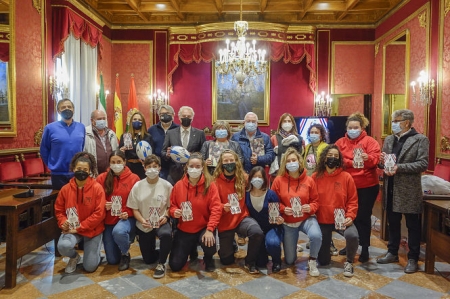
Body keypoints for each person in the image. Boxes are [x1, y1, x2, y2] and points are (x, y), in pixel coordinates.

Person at [376, 109, 429, 273]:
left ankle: (413, 257)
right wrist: (380, 162)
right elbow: (383, 164)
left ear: (406, 122)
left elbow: (423, 164)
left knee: (412, 225)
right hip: (390, 186)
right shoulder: (390, 139)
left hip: (409, 189)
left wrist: (399, 167)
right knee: (392, 222)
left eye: (396, 120)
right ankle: (392, 251)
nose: (393, 124)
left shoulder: (420, 140)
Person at [335, 112, 380, 262]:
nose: (353, 130)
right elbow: (337, 159)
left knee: (362, 217)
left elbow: (375, 160)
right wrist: (351, 161)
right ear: (346, 128)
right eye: (350, 127)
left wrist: (367, 158)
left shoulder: (370, 141)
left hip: (367, 186)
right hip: (346, 185)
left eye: (356, 127)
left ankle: (365, 247)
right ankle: (350, 244)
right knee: (348, 217)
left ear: (362, 128)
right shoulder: (340, 142)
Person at [271, 148, 322, 277]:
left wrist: (310, 208)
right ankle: (292, 246)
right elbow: (272, 203)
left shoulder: (309, 180)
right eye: (288, 161)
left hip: (306, 218)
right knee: (289, 261)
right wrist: (282, 209)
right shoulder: (278, 180)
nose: (291, 163)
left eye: (294, 160)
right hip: (288, 222)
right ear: (284, 164)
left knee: (316, 235)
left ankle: (312, 260)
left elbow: (316, 201)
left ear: (299, 162)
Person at [169, 153, 222, 272]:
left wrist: (210, 230)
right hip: (184, 228)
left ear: (203, 167)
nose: (194, 169)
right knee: (175, 266)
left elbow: (216, 209)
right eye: (191, 166)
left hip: (203, 228)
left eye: (198, 166)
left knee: (210, 244)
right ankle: (191, 249)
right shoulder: (178, 186)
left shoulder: (210, 185)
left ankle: (208, 258)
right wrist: (174, 212)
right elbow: (172, 206)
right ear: (186, 167)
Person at [213, 150, 264, 274]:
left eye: (232, 160)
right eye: (226, 161)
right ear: (221, 163)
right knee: (226, 260)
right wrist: (221, 206)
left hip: (242, 218)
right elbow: (212, 203)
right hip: (225, 221)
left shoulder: (244, 177)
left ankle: (250, 262)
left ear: (237, 162)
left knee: (257, 232)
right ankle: (231, 245)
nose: (229, 163)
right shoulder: (215, 182)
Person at [54, 152, 106, 274]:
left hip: (92, 230)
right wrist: (63, 222)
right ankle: (74, 257)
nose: (81, 171)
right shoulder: (65, 189)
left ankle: (95, 252)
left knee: (90, 267)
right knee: (63, 246)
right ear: (73, 169)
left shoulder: (97, 188)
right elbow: (59, 210)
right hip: (72, 229)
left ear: (90, 171)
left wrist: (79, 228)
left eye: (85, 169)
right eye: (78, 169)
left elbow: (99, 214)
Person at [313, 145, 359, 277]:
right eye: (330, 156)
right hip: (323, 220)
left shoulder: (346, 177)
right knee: (323, 261)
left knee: (353, 235)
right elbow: (310, 198)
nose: (332, 158)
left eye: (336, 156)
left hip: (342, 220)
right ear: (324, 158)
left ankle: (349, 262)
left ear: (340, 160)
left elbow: (353, 200)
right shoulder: (316, 177)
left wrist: (350, 216)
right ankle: (325, 251)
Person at [127, 154, 174, 278]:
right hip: (144, 223)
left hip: (161, 222)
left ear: (159, 168)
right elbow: (134, 208)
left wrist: (166, 216)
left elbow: (171, 206)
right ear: (144, 168)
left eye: (155, 166)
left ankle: (162, 263)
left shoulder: (167, 186)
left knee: (166, 234)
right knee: (148, 259)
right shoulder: (138, 186)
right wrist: (142, 221)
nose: (152, 169)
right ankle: (160, 251)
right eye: (149, 166)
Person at [96, 150, 140, 271]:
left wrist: (128, 212)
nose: (116, 164)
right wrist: (104, 204)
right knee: (112, 260)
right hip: (109, 220)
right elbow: (95, 198)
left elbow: (138, 202)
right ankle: (120, 245)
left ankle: (125, 253)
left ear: (125, 162)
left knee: (119, 232)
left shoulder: (134, 178)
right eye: (113, 162)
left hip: (126, 218)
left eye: (119, 162)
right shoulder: (101, 178)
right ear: (109, 163)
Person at [245, 166, 284, 273]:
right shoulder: (246, 195)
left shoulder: (271, 194)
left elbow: (277, 213)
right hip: (257, 232)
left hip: (272, 227)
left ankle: (277, 261)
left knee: (272, 243)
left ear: (264, 179)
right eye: (255, 176)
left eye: (260, 177)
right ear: (250, 178)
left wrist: (280, 219)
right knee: (261, 262)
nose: (257, 179)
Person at [40, 99, 86, 190]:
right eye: (63, 107)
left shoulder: (81, 127)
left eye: (69, 107)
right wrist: (52, 165)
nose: (67, 109)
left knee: (77, 201)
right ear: (58, 111)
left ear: (73, 109)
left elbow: (82, 146)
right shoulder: (50, 128)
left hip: (77, 172)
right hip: (58, 174)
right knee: (60, 201)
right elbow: (44, 150)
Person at [162, 106, 206, 185]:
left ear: (192, 118)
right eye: (184, 116)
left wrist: (193, 155)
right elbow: (163, 151)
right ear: (179, 117)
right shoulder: (170, 133)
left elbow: (203, 153)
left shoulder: (200, 133)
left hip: (193, 172)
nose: (186, 118)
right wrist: (167, 154)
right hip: (174, 173)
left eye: (189, 116)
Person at [119, 111, 155, 179]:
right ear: (131, 121)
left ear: (143, 122)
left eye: (139, 120)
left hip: (142, 167)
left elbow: (152, 154)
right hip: (128, 166)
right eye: (135, 119)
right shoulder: (125, 136)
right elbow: (119, 154)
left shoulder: (147, 137)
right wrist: (121, 151)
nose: (137, 121)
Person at [147, 105, 179, 180]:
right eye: (162, 114)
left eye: (167, 113)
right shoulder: (152, 129)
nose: (165, 116)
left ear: (173, 115)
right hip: (157, 166)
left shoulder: (178, 129)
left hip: (174, 166)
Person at [84, 109, 119, 174]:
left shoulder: (111, 133)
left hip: (111, 173)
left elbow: (116, 149)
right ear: (92, 120)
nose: (102, 121)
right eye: (99, 119)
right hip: (94, 173)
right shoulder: (85, 133)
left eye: (104, 118)